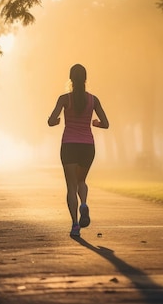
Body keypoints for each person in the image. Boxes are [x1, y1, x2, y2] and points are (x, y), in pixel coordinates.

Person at [48, 64, 109, 237]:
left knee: (71, 186)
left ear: (70, 79)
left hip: (69, 145)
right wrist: (95, 123)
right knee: (82, 181)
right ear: (85, 79)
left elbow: (51, 121)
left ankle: (75, 225)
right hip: (87, 147)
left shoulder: (64, 99)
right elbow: (106, 123)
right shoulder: (93, 100)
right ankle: (84, 204)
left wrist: (57, 120)